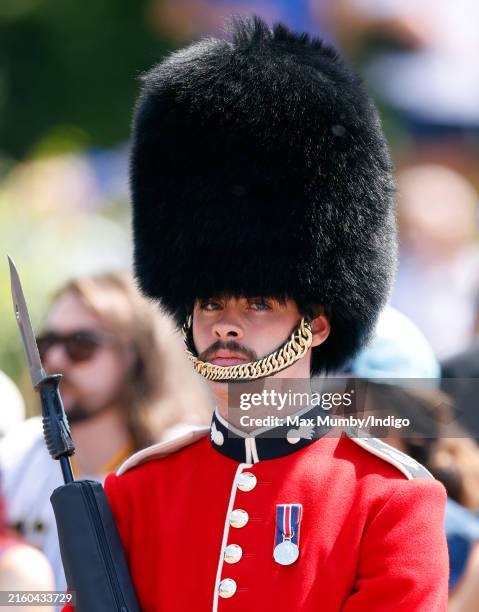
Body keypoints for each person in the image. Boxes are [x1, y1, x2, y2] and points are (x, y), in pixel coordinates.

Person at [65, 17, 448, 610]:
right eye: (209, 302)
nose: (225, 324)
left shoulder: (389, 497)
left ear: (316, 324)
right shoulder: (138, 490)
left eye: (259, 303)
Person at [0, 271, 211, 593]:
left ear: (136, 357)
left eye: (80, 345)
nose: (55, 359)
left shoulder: (183, 463)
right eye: (47, 344)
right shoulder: (17, 456)